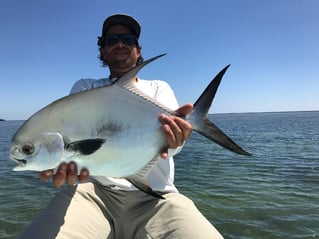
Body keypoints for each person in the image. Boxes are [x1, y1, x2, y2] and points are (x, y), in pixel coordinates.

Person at [18, 14, 224, 239]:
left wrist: (176, 138)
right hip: (92, 192)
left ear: (138, 49)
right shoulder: (86, 87)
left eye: (128, 39)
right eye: (111, 40)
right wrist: (63, 165)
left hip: (156, 197)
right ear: (103, 50)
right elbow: (75, 149)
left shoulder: (158, 88)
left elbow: (172, 149)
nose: (120, 44)